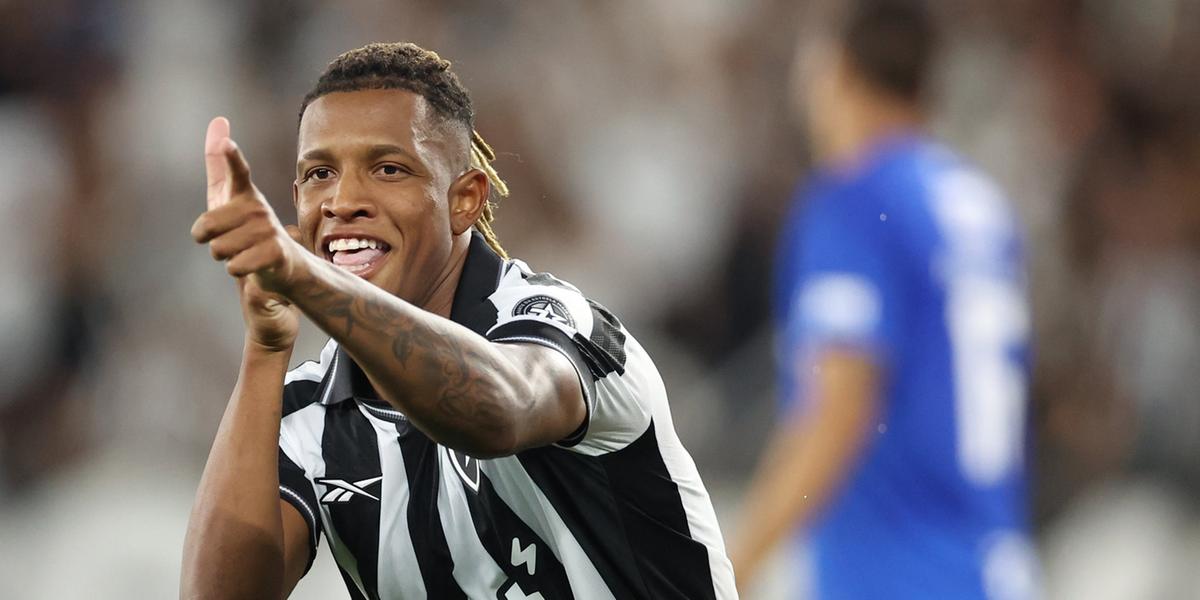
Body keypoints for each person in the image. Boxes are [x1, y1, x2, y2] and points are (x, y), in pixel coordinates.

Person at [180, 42, 736, 600]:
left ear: (465, 200)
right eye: (320, 173)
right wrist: (265, 347)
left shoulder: (559, 325)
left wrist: (308, 279)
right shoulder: (308, 415)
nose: (343, 201)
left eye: (389, 169)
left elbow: (497, 411)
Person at [729, 2, 1036, 598]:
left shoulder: (855, 200)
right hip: (997, 568)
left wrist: (731, 568)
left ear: (837, 71)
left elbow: (841, 407)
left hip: (894, 572)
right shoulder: (982, 206)